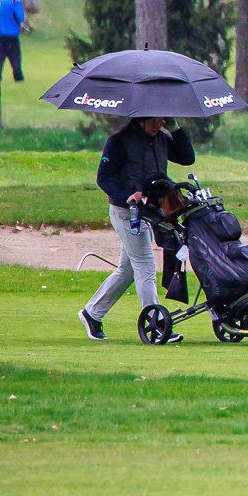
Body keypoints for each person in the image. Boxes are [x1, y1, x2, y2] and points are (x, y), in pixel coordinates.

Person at [79, 117, 196, 341]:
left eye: (163, 118)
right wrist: (127, 196)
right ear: (141, 118)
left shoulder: (162, 137)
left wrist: (175, 129)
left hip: (150, 212)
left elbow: (187, 158)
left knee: (129, 269)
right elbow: (103, 178)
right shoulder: (119, 141)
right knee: (145, 265)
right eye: (154, 119)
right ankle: (156, 324)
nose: (158, 123)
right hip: (126, 212)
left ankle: (91, 313)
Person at [0, 0, 27, 82]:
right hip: (12, 35)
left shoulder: (2, 0)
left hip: (1, 35)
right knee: (15, 58)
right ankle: (18, 77)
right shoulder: (15, 1)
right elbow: (21, 17)